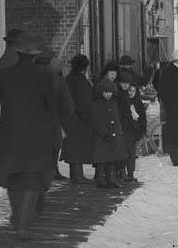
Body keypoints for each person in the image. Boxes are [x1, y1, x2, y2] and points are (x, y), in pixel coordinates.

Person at [0, 32, 56, 239]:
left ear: (17, 52)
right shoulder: (45, 76)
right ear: (36, 55)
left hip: (9, 134)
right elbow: (53, 106)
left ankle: (16, 216)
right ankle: (23, 225)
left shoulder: (4, 75)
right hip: (37, 136)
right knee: (31, 179)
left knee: (13, 176)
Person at [35, 47, 74, 185]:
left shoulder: (24, 77)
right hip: (51, 122)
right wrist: (58, 119)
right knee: (52, 150)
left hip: (29, 125)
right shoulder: (57, 79)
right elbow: (68, 106)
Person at [62, 54, 94, 185]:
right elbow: (84, 103)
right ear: (85, 67)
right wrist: (90, 118)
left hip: (67, 119)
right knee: (78, 148)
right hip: (78, 120)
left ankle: (75, 174)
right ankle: (77, 176)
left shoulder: (67, 79)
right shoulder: (80, 82)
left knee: (71, 147)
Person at [92, 78, 125, 188]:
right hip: (103, 136)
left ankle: (112, 178)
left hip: (113, 135)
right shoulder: (97, 104)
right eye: (105, 92)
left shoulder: (114, 103)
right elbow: (96, 121)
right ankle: (101, 179)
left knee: (112, 158)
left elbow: (116, 118)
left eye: (110, 92)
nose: (108, 94)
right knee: (102, 159)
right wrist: (103, 133)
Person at [114, 73, 139, 183]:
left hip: (128, 126)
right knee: (126, 151)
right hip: (123, 125)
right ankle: (123, 173)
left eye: (127, 83)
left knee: (129, 151)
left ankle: (128, 173)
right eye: (123, 83)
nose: (125, 85)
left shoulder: (124, 94)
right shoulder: (119, 94)